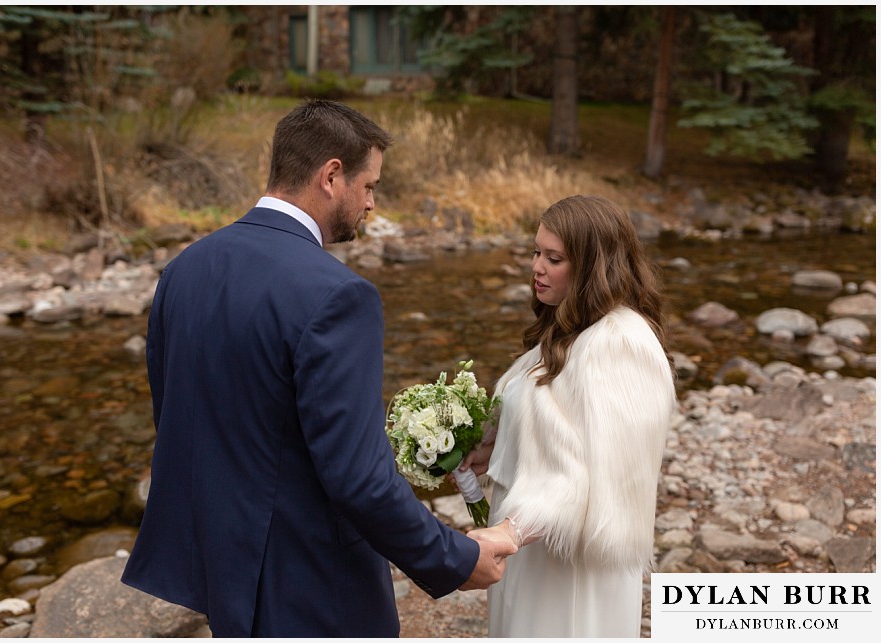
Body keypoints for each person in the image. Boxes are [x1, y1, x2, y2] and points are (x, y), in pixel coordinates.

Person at [120, 99, 515, 637]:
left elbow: (174, 419)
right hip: (313, 586)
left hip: (220, 569)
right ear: (332, 175)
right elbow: (359, 479)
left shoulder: (185, 268)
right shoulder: (337, 295)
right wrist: (454, 558)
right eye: (369, 185)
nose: (371, 203)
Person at [459, 195, 676, 637]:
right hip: (534, 548)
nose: (537, 267)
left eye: (554, 258)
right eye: (536, 252)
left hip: (569, 565)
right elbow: (549, 425)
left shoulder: (619, 345)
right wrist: (494, 447)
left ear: (594, 266)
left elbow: (593, 470)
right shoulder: (567, 332)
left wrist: (509, 533)